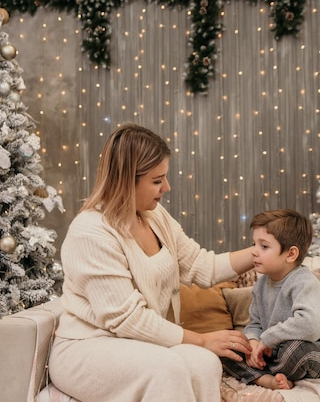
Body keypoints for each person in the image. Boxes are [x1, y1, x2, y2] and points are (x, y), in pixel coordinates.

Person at [49, 123, 256, 402]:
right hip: (86, 348)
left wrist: (261, 253)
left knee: (204, 362)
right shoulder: (90, 232)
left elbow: (200, 265)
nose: (166, 188)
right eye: (157, 180)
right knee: (168, 369)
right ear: (125, 181)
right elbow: (127, 319)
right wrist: (203, 339)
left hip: (135, 344)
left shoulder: (154, 216)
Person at [221, 209, 320, 390]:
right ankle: (268, 380)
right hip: (272, 350)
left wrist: (267, 340)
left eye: (264, 246)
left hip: (314, 350)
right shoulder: (261, 284)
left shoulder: (304, 283)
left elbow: (310, 325)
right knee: (228, 350)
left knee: (295, 352)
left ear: (290, 254)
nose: (254, 252)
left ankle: (266, 371)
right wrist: (254, 343)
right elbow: (255, 323)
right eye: (254, 244)